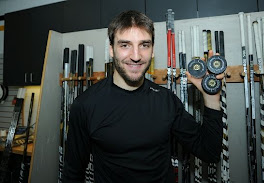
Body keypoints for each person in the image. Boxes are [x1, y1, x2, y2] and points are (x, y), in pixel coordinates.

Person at [63, 10, 223, 183]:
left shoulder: (166, 100)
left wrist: (211, 96)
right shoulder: (85, 105)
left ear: (152, 50)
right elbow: (73, 174)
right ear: (111, 50)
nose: (136, 56)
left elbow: (209, 152)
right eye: (125, 45)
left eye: (144, 45)